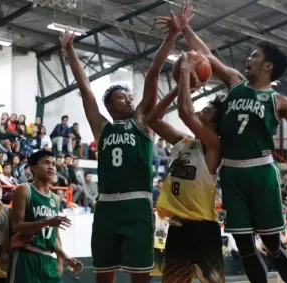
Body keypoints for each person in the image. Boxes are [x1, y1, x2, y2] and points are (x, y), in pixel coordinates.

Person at [155, 6, 287, 283]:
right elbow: (210, 58)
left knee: (270, 239)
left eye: (254, 56)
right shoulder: (235, 83)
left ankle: (277, 251)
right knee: (244, 244)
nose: (247, 59)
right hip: (232, 172)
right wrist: (184, 29)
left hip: (261, 171)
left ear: (268, 67)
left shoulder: (279, 102)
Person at [60, 13, 174, 280]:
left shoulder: (142, 121)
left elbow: (154, 73)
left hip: (138, 204)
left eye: (129, 97)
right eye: (123, 97)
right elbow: (86, 89)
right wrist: (69, 50)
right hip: (107, 205)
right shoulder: (103, 127)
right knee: (104, 274)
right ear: (110, 105)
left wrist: (171, 35)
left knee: (140, 275)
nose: (129, 100)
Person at [147, 49, 225, 282]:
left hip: (203, 227)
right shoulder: (184, 142)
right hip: (178, 227)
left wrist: (184, 71)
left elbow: (185, 112)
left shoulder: (213, 145)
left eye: (209, 109)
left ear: (215, 123)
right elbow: (153, 120)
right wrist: (178, 88)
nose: (203, 109)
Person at [7, 150, 83, 283]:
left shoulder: (56, 198)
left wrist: (64, 257)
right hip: (26, 257)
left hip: (48, 260)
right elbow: (17, 226)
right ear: (33, 168)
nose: (52, 167)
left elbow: (54, 236)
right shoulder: (24, 190)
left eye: (53, 164)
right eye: (46, 163)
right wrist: (47, 221)